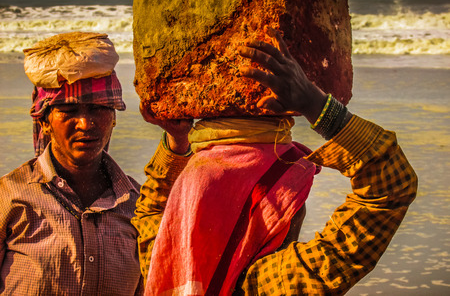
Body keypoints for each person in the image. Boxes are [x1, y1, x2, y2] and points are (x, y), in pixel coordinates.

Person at [132, 26, 418, 295]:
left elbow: (151, 210)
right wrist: (316, 105)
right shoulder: (274, 284)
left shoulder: (161, 261)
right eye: (288, 199)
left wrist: (178, 141)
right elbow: (390, 188)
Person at [0, 32, 143, 295]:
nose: (85, 124)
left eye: (98, 109)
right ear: (44, 121)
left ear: (113, 117)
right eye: (69, 111)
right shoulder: (8, 197)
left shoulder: (136, 205)